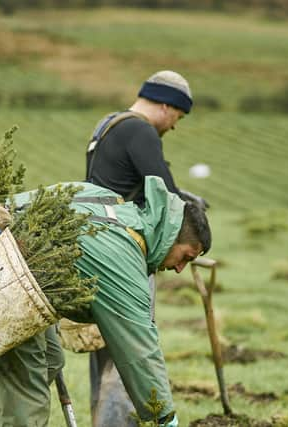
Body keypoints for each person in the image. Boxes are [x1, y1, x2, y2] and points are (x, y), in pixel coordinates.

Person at [0, 176, 211, 426]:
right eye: (186, 257)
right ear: (171, 236)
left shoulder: (113, 206)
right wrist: (163, 416)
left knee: (48, 362)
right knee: (26, 400)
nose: (180, 269)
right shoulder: (122, 255)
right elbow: (140, 350)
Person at [85, 70, 207, 425]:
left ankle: (103, 418)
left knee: (105, 349)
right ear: (167, 106)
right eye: (178, 117)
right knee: (132, 349)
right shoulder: (140, 130)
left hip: (95, 250)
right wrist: (192, 207)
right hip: (127, 253)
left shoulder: (107, 125)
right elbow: (165, 195)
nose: (175, 126)